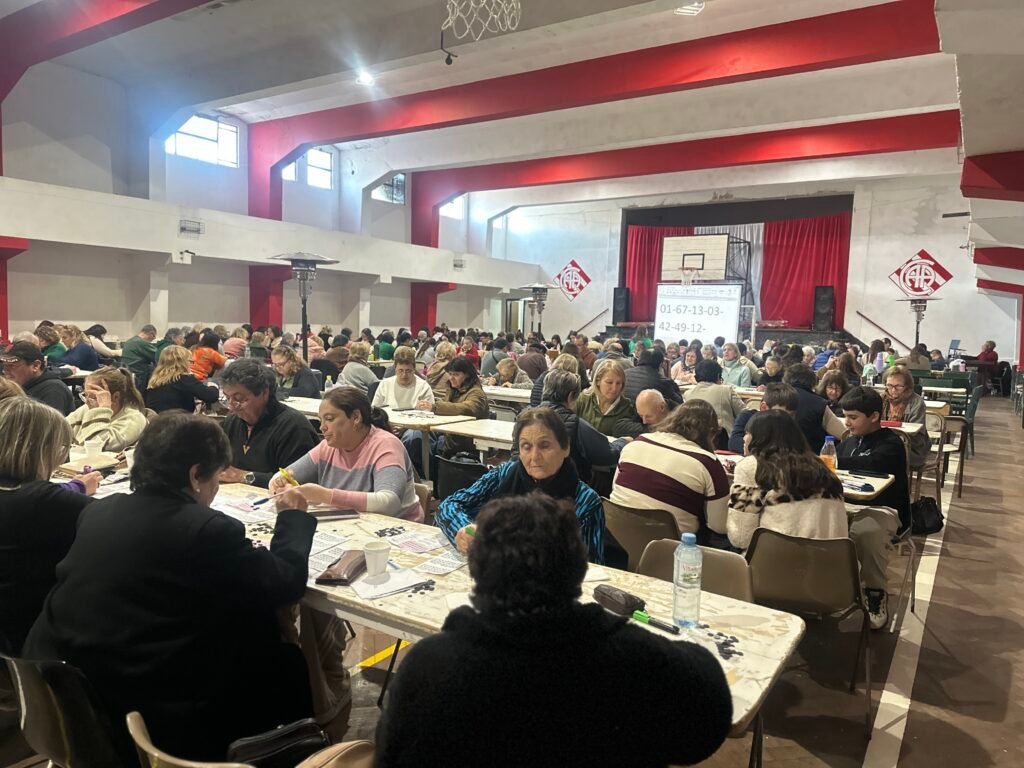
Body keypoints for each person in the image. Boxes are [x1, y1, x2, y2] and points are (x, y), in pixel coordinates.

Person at [25, 412, 317, 761]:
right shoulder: (207, 529)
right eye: (215, 478)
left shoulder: (100, 511)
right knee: (283, 658)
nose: (214, 489)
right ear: (195, 475)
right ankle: (289, 749)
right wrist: (293, 518)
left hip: (67, 689)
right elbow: (286, 583)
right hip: (147, 710)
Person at [376, 492, 732, 768]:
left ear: (478, 570)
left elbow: (391, 756)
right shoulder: (638, 658)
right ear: (578, 568)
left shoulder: (429, 666)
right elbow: (707, 727)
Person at [436, 408, 605, 562]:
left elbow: (592, 567)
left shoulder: (585, 501)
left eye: (544, 446)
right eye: (526, 446)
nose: (535, 456)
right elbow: (449, 505)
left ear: (565, 448)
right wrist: (463, 529)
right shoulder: (504, 474)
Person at [0, 397, 94, 655]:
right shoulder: (44, 501)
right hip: (27, 634)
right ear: (38, 448)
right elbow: (118, 520)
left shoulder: (25, 495)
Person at [271, 388, 422, 521]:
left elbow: (389, 502)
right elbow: (279, 477)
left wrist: (325, 495)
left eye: (329, 419)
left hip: (398, 529)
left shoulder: (386, 445)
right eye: (321, 420)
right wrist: (284, 485)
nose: (322, 427)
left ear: (356, 417)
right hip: (353, 525)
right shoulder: (328, 446)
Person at [611, 399, 729, 542]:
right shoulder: (708, 463)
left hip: (615, 535)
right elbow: (719, 526)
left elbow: (615, 488)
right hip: (671, 546)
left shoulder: (637, 443)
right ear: (711, 433)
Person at [837, 387, 907, 630]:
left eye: (853, 417)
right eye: (845, 416)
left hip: (882, 508)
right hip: (846, 503)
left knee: (866, 533)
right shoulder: (848, 442)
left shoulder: (891, 443)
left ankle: (875, 592)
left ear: (875, 416)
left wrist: (830, 462)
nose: (847, 422)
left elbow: (871, 463)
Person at [727, 410, 847, 551]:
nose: (743, 438)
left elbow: (741, 537)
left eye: (747, 433)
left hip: (777, 560)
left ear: (760, 438)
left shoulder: (752, 466)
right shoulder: (822, 467)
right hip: (832, 561)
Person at [217, 360, 320, 488]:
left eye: (238, 399)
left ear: (264, 393)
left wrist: (244, 476)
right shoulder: (232, 422)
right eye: (227, 398)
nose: (231, 406)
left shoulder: (294, 427)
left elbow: (297, 481)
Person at [528, 369, 624, 484]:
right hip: (566, 487)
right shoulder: (576, 425)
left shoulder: (525, 418)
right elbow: (607, 455)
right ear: (571, 396)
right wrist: (623, 442)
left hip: (528, 485)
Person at [407, 357, 488, 472]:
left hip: (461, 441)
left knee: (422, 444)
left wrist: (435, 407)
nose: (451, 378)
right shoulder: (454, 390)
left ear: (467, 375)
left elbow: (467, 408)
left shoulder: (476, 393)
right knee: (415, 437)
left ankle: (427, 474)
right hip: (448, 435)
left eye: (456, 375)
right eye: (450, 374)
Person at [67, 367, 148, 452]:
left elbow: (95, 445)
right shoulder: (88, 408)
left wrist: (102, 410)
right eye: (85, 395)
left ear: (115, 397)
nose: (87, 401)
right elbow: (61, 429)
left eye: (94, 397)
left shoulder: (134, 419)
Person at [782, 364, 846, 451]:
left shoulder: (773, 398)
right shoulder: (819, 403)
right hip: (810, 455)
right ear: (813, 382)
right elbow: (842, 433)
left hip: (775, 455)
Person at [1, 341, 75, 415]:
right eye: (5, 365)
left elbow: (48, 422)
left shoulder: (53, 390)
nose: (5, 370)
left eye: (12, 366)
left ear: (35, 366)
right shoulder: (20, 385)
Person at [574, 359, 644, 438]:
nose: (614, 388)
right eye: (609, 382)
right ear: (598, 381)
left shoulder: (628, 407)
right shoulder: (583, 399)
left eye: (618, 383)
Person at [727, 383, 800, 454]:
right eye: (781, 414)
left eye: (792, 415)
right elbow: (734, 442)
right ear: (764, 407)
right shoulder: (747, 416)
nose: (787, 419)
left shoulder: (791, 424)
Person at [683, 360, 744, 444]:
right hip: (724, 441)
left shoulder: (687, 394)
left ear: (696, 376)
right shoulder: (726, 390)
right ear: (718, 375)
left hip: (694, 441)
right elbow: (744, 414)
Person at [145, 345, 220, 414]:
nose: (191, 365)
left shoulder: (154, 379)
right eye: (190, 361)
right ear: (183, 363)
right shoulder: (184, 378)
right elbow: (211, 396)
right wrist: (213, 385)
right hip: (177, 421)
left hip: (156, 421)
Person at [881, 366, 929, 468]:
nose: (893, 390)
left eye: (898, 386)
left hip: (912, 448)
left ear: (907, 386)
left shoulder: (917, 402)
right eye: (889, 385)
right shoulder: (882, 399)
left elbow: (915, 434)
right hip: (884, 444)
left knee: (884, 454)